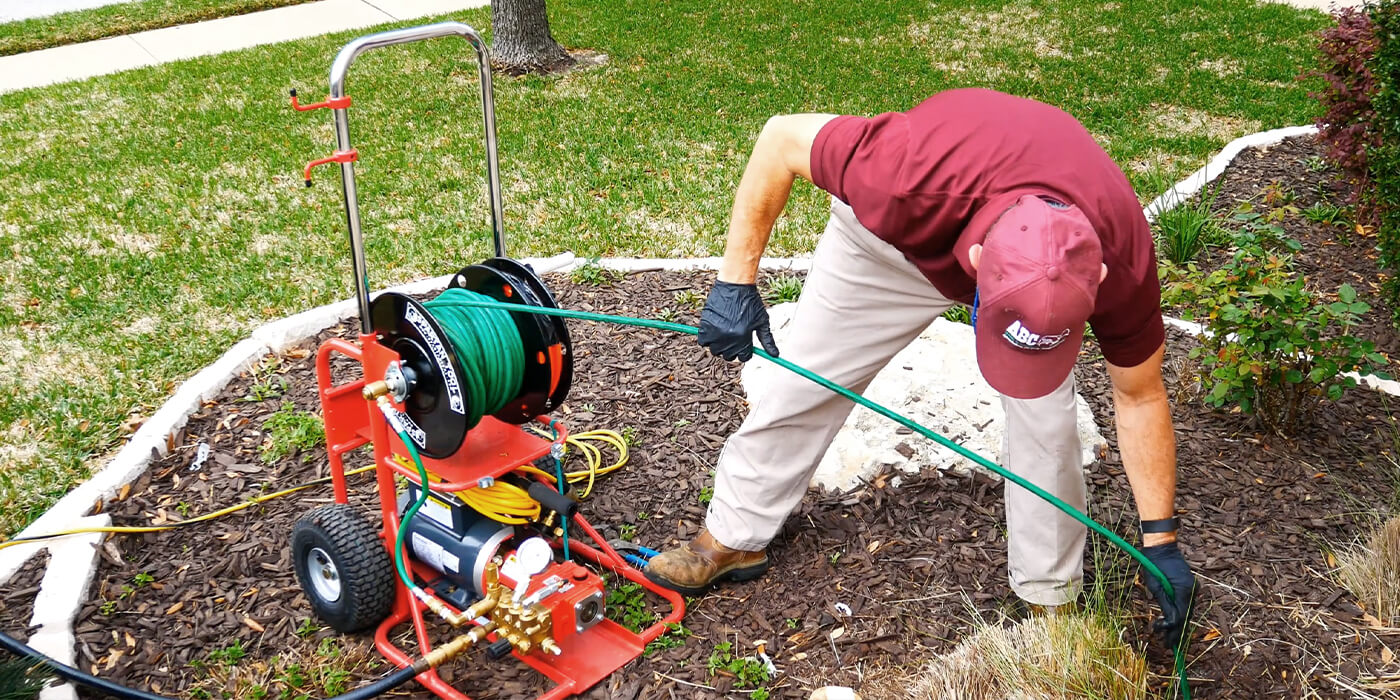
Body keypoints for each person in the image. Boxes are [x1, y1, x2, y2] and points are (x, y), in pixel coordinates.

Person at [642, 88, 1196, 647]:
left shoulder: (1117, 256)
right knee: (807, 380)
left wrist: (1161, 542)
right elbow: (781, 137)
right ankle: (732, 537)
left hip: (1004, 236)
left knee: (1048, 427)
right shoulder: (903, 171)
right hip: (891, 245)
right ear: (977, 265)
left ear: (1096, 280)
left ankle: (1049, 598)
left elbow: (1140, 395)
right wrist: (735, 281)